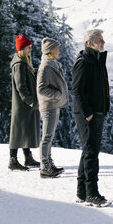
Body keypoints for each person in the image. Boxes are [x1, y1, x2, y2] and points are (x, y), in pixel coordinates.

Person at [72, 28, 111, 206]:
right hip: (88, 114)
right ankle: (92, 193)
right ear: (90, 43)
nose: (103, 43)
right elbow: (77, 90)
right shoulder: (84, 61)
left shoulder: (96, 60)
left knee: (89, 150)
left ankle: (82, 192)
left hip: (98, 112)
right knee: (91, 152)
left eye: (103, 40)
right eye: (100, 40)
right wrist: (87, 112)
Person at [37, 37, 69, 178]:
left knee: (49, 136)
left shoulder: (52, 64)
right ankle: (45, 166)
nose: (59, 51)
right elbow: (41, 89)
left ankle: (49, 164)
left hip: (53, 105)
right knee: (47, 137)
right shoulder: (45, 66)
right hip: (49, 106)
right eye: (57, 49)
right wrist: (57, 94)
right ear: (51, 50)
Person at [9, 35, 41, 170]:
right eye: (28, 48)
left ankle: (28, 157)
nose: (30, 50)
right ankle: (13, 160)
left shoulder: (24, 62)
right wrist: (30, 101)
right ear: (22, 48)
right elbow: (20, 86)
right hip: (22, 104)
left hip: (25, 104)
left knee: (25, 131)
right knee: (17, 131)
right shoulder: (19, 64)